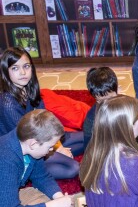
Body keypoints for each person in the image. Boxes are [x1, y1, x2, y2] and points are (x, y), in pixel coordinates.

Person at [0, 46, 79, 179]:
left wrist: (58, 146)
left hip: (43, 139)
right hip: (26, 150)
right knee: (73, 167)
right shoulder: (7, 102)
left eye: (26, 66)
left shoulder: (30, 90)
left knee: (87, 137)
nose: (23, 72)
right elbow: (26, 138)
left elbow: (47, 121)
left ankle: (54, 154)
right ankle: (31, 172)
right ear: (5, 72)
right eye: (15, 68)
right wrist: (58, 149)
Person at [83, 66, 138, 170]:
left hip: (126, 145)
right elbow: (91, 150)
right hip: (106, 153)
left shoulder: (124, 106)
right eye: (100, 100)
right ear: (94, 98)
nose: (106, 103)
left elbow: (136, 131)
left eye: (110, 98)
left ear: (118, 90)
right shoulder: (92, 118)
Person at [0, 109, 74, 207]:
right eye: (50, 146)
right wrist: (53, 205)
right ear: (33, 144)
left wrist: (59, 197)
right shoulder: (6, 160)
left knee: (45, 199)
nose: (52, 149)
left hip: (9, 191)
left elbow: (41, 176)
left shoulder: (30, 145)